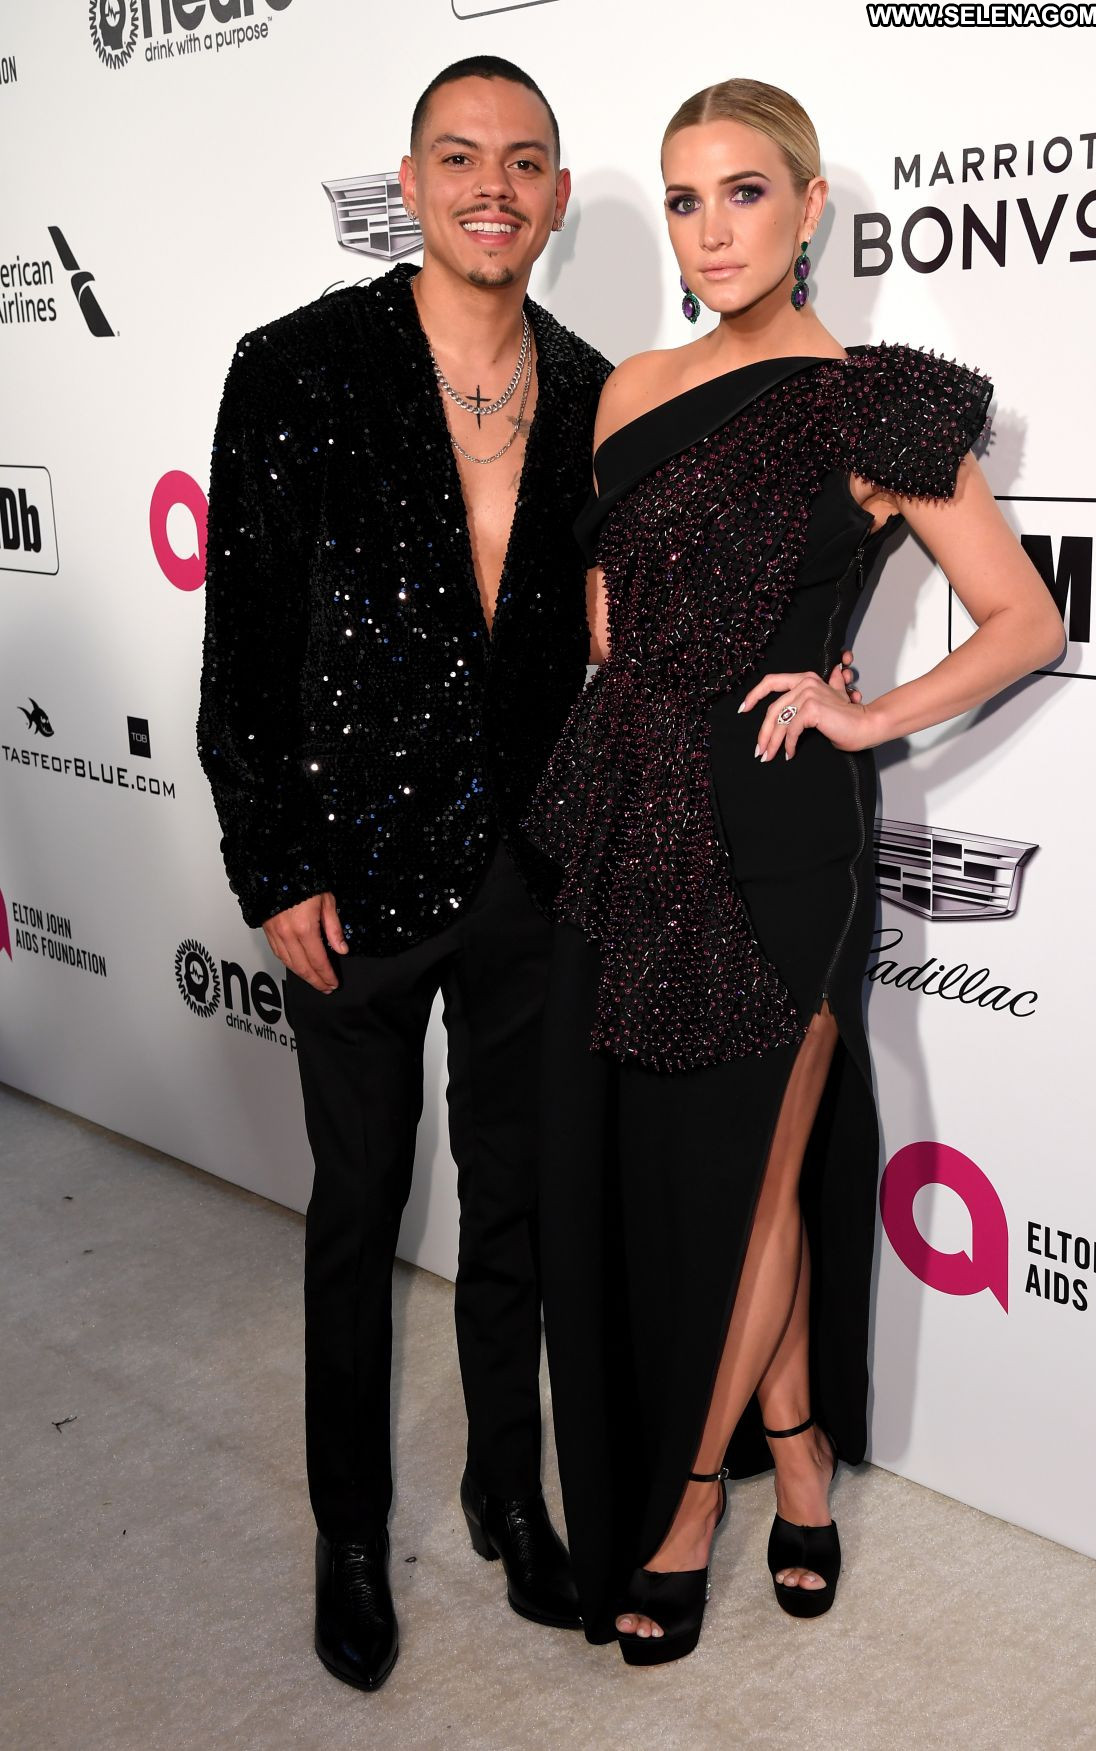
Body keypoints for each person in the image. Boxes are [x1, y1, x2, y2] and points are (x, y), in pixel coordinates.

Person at [523, 78, 1065, 1664]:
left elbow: (1025, 620)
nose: (711, 233)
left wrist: (868, 711)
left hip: (777, 834)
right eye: (685, 201)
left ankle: (693, 1501)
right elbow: (612, 622)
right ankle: (802, 1453)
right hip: (630, 813)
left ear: (812, 206)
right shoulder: (631, 389)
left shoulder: (876, 405)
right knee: (716, 1179)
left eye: (745, 193)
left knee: (757, 1171)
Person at [197, 57, 611, 1691]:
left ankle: (507, 1491)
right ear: (412, 180)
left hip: (529, 876)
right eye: (460, 156)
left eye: (523, 160)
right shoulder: (298, 366)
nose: (491, 184)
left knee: (515, 1201)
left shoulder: (596, 392)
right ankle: (352, 1535)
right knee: (358, 1209)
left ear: (556, 195)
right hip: (350, 873)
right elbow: (245, 638)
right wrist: (272, 860)